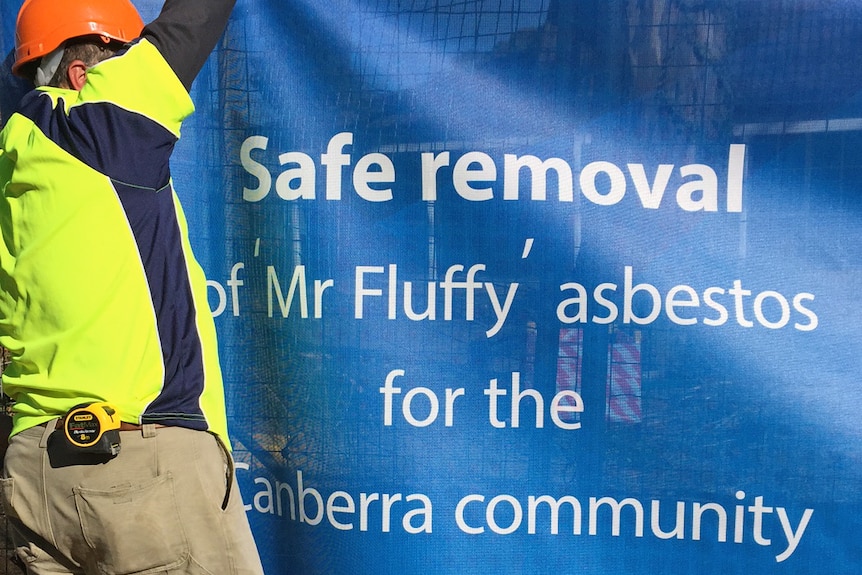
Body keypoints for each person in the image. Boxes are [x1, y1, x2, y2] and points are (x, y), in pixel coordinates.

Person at [0, 0, 265, 573]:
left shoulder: (10, 162)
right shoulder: (103, 124)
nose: (134, 64)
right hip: (140, 465)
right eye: (122, 54)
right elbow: (194, 19)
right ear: (81, 74)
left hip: (30, 475)